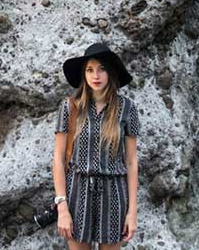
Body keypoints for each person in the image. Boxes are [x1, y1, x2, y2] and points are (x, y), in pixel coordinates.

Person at [52, 42, 140, 248]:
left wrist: (132, 212)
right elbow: (57, 157)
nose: (96, 76)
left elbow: (131, 161)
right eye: (90, 70)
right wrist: (62, 207)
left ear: (111, 72)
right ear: (84, 74)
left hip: (114, 195)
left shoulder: (127, 108)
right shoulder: (70, 107)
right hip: (77, 193)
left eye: (101, 69)